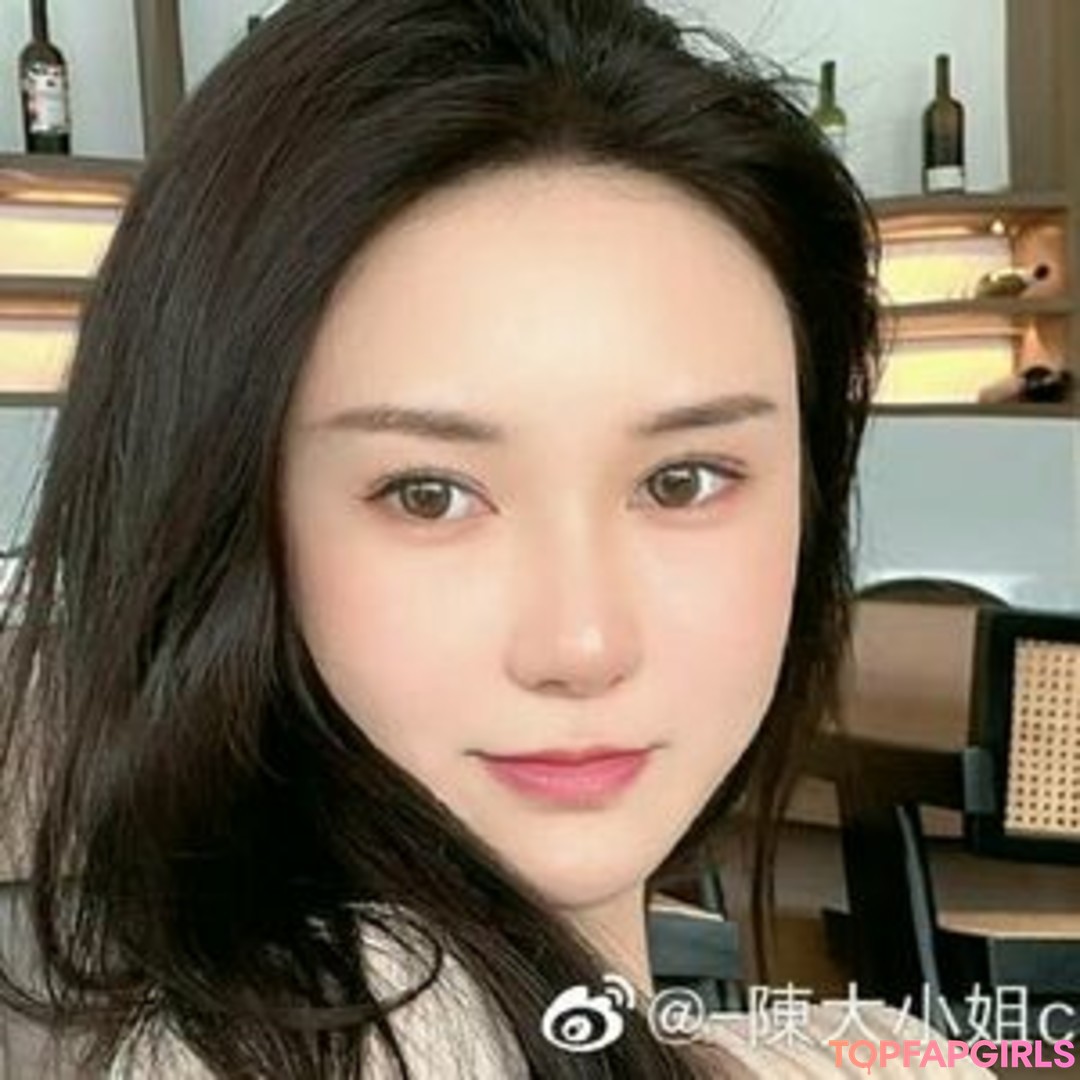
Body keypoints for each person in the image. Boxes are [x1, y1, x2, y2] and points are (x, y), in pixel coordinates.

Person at [0, 1, 995, 1076]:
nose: (582, 645)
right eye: (429, 495)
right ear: (233, 517)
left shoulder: (881, 1055)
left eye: (683, 481)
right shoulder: (356, 1028)